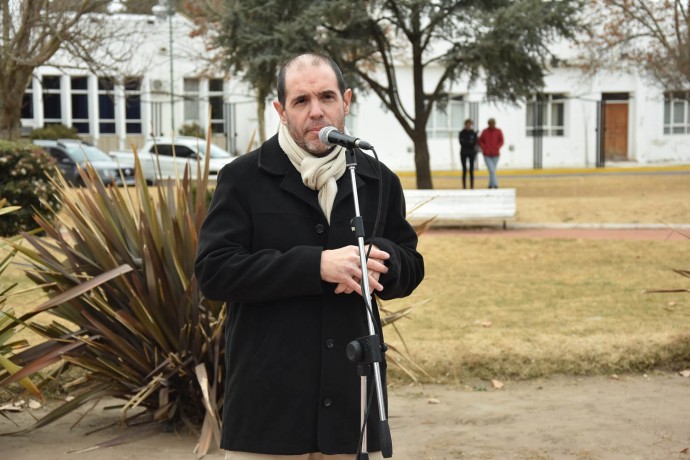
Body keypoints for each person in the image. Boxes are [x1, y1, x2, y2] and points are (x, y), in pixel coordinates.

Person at [195, 53, 424, 460]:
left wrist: (382, 258)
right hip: (268, 409)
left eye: (327, 97)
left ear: (346, 101)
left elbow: (410, 264)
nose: (317, 112)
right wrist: (315, 266)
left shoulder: (376, 179)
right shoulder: (243, 178)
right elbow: (215, 272)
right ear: (280, 111)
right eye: (301, 101)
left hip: (351, 407)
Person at [477, 118, 504, 189]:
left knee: (492, 171)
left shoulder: (498, 131)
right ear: (488, 124)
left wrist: (497, 147)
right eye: (490, 124)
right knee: (492, 170)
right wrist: (484, 148)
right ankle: (495, 185)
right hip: (487, 154)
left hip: (495, 154)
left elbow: (501, 141)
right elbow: (480, 141)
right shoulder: (485, 131)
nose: (492, 125)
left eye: (493, 123)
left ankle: (490, 185)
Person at [458, 118, 478, 189]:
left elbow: (474, 143)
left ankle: (472, 186)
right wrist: (469, 142)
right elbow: (461, 143)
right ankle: (464, 186)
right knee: (464, 169)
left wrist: (468, 142)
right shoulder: (462, 133)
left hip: (471, 153)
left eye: (469, 124)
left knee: (471, 170)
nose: (468, 126)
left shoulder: (473, 133)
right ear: (465, 125)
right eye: (467, 124)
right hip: (463, 153)